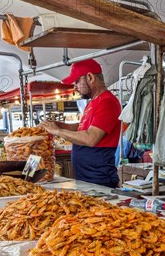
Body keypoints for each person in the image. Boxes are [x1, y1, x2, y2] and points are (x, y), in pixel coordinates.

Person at [39, 59, 121, 188]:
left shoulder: (107, 102)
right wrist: (58, 124)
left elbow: (91, 138)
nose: (75, 86)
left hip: (99, 177)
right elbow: (80, 127)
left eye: (77, 81)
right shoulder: (93, 102)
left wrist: (58, 131)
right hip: (86, 176)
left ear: (90, 77)